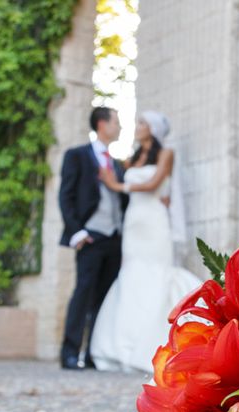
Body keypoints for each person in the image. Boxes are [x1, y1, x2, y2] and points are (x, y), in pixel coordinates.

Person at [89, 111, 201, 373]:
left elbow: (153, 183)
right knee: (132, 275)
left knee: (155, 274)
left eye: (141, 123)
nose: (137, 127)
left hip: (154, 222)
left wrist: (116, 186)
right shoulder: (132, 158)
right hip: (134, 223)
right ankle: (120, 347)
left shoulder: (166, 154)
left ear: (153, 128)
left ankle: (154, 346)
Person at [58, 107, 128, 370]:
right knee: (83, 293)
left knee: (103, 297)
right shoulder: (77, 156)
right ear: (102, 124)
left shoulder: (118, 164)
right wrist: (78, 231)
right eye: (116, 122)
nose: (119, 127)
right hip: (91, 236)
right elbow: (66, 196)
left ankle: (92, 355)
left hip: (114, 238)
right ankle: (69, 352)